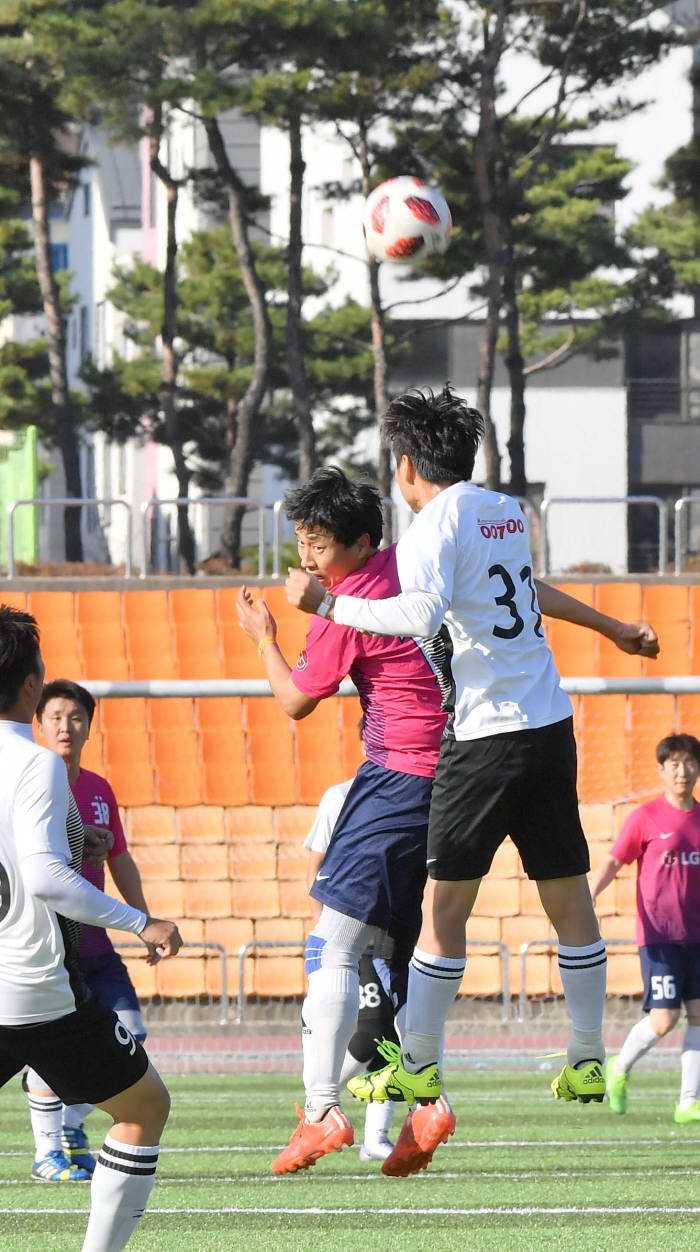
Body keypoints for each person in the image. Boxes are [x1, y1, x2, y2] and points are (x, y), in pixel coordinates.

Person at [241, 463, 657, 1178]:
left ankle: (320, 1112)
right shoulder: (434, 551)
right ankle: (426, 1106)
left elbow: (295, 702)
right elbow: (528, 593)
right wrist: (613, 626)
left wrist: (265, 636)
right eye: (302, 541)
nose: (307, 557)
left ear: (362, 538)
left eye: (317, 542)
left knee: (335, 946)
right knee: (410, 955)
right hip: (471, 762)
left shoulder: (355, 597)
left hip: (403, 780)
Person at [0, 604, 182, 1251]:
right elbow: (48, 878)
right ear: (31, 685)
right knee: (143, 1109)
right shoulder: (35, 764)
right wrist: (142, 922)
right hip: (33, 989)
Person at [24, 679, 155, 1182]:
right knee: (45, 1044)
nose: (65, 725)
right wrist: (77, 841)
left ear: (89, 727)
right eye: (55, 716)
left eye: (75, 717)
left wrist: (144, 920)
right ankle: (47, 1153)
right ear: (38, 723)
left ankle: (71, 1127)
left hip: (94, 942)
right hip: (47, 942)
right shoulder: (29, 781)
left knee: (133, 1032)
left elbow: (121, 859)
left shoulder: (99, 788)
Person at [590, 733, 700, 1124]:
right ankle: (619, 1068)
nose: (681, 772)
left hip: (698, 938)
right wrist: (589, 897)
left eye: (688, 763)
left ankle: (688, 1102)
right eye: (673, 764)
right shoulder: (646, 817)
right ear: (661, 770)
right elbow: (613, 861)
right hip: (660, 937)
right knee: (664, 1019)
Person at [305, 771, 398, 1162]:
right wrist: (322, 929)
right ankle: (321, 1103)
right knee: (373, 1027)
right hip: (348, 930)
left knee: (390, 1035)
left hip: (395, 929)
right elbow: (315, 865)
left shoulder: (419, 791)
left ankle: (375, 1137)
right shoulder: (340, 795)